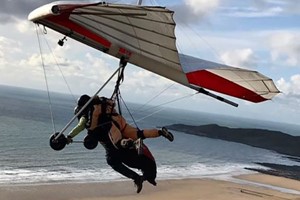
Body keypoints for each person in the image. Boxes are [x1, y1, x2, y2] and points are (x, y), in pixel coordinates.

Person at [66, 94, 174, 193]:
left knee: (115, 151)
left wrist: (68, 137)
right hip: (121, 124)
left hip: (110, 129)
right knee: (139, 133)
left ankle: (134, 149)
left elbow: (80, 126)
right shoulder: (102, 102)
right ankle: (160, 132)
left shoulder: (89, 114)